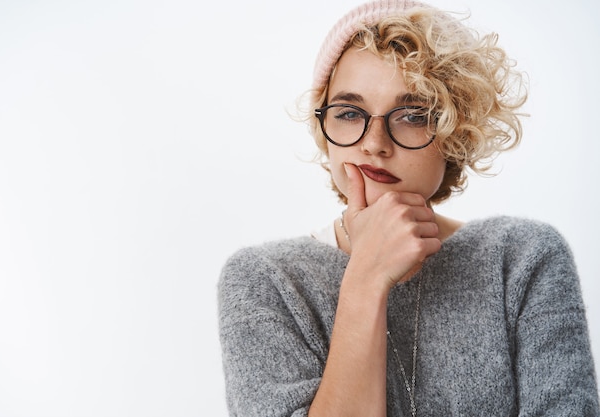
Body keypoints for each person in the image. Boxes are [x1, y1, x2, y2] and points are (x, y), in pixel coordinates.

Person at [217, 0, 600, 415]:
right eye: (349, 112)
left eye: (413, 115)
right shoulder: (265, 280)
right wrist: (366, 278)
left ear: (457, 132)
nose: (374, 143)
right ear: (324, 128)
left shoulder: (521, 258)